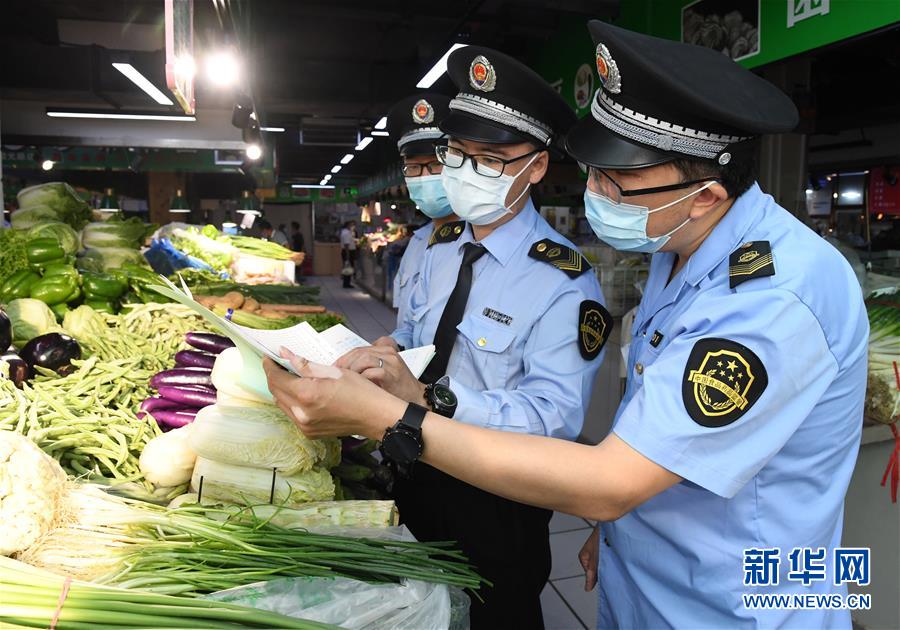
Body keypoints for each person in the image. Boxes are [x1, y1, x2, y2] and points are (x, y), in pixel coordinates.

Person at [264, 21, 868, 630]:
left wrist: (391, 416)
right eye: (593, 172)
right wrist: (618, 531)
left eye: (617, 181)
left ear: (705, 195)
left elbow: (611, 478)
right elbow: (652, 433)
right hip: (650, 577)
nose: (594, 192)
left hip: (735, 605)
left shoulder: (773, 296)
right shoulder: (679, 248)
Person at [332, 46, 609, 628]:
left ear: (536, 167)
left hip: (496, 493)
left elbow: (554, 417)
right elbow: (415, 335)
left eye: (491, 159)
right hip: (412, 461)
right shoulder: (439, 247)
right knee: (414, 607)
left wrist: (431, 398)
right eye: (456, 154)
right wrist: (383, 357)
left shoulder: (564, 281)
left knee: (494, 612)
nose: (465, 171)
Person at [385, 93, 462, 327]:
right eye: (413, 167)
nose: (424, 177)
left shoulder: (478, 245)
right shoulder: (417, 242)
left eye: (436, 164)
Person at [339, 220, 358, 288]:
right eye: (352, 225)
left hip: (348, 251)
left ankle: (347, 282)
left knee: (348, 267)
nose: (353, 226)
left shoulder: (347, 232)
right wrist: (348, 256)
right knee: (348, 267)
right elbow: (346, 245)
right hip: (348, 252)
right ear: (348, 225)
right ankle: (346, 283)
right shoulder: (346, 233)